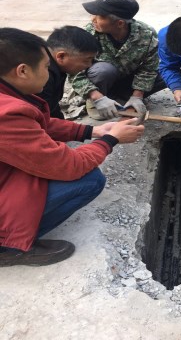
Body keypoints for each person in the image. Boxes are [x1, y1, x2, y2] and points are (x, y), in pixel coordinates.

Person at [0, 28, 144, 267]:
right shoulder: (6, 114)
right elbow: (69, 167)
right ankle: (8, 246)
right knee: (88, 180)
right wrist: (110, 140)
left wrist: (92, 131)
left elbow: (39, 123)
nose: (49, 73)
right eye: (46, 67)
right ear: (22, 70)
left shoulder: (8, 95)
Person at [71, 0, 165, 120]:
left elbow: (149, 68)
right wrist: (95, 96)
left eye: (99, 16)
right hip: (101, 80)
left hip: (126, 79)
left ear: (120, 23)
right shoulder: (88, 33)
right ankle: (97, 100)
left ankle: (122, 98)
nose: (93, 19)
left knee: (164, 73)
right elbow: (74, 72)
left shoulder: (146, 34)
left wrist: (137, 96)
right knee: (103, 70)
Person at [36, 25, 100, 119]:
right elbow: (44, 116)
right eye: (86, 60)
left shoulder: (55, 66)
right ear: (61, 56)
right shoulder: (43, 75)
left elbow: (52, 108)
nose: (89, 65)